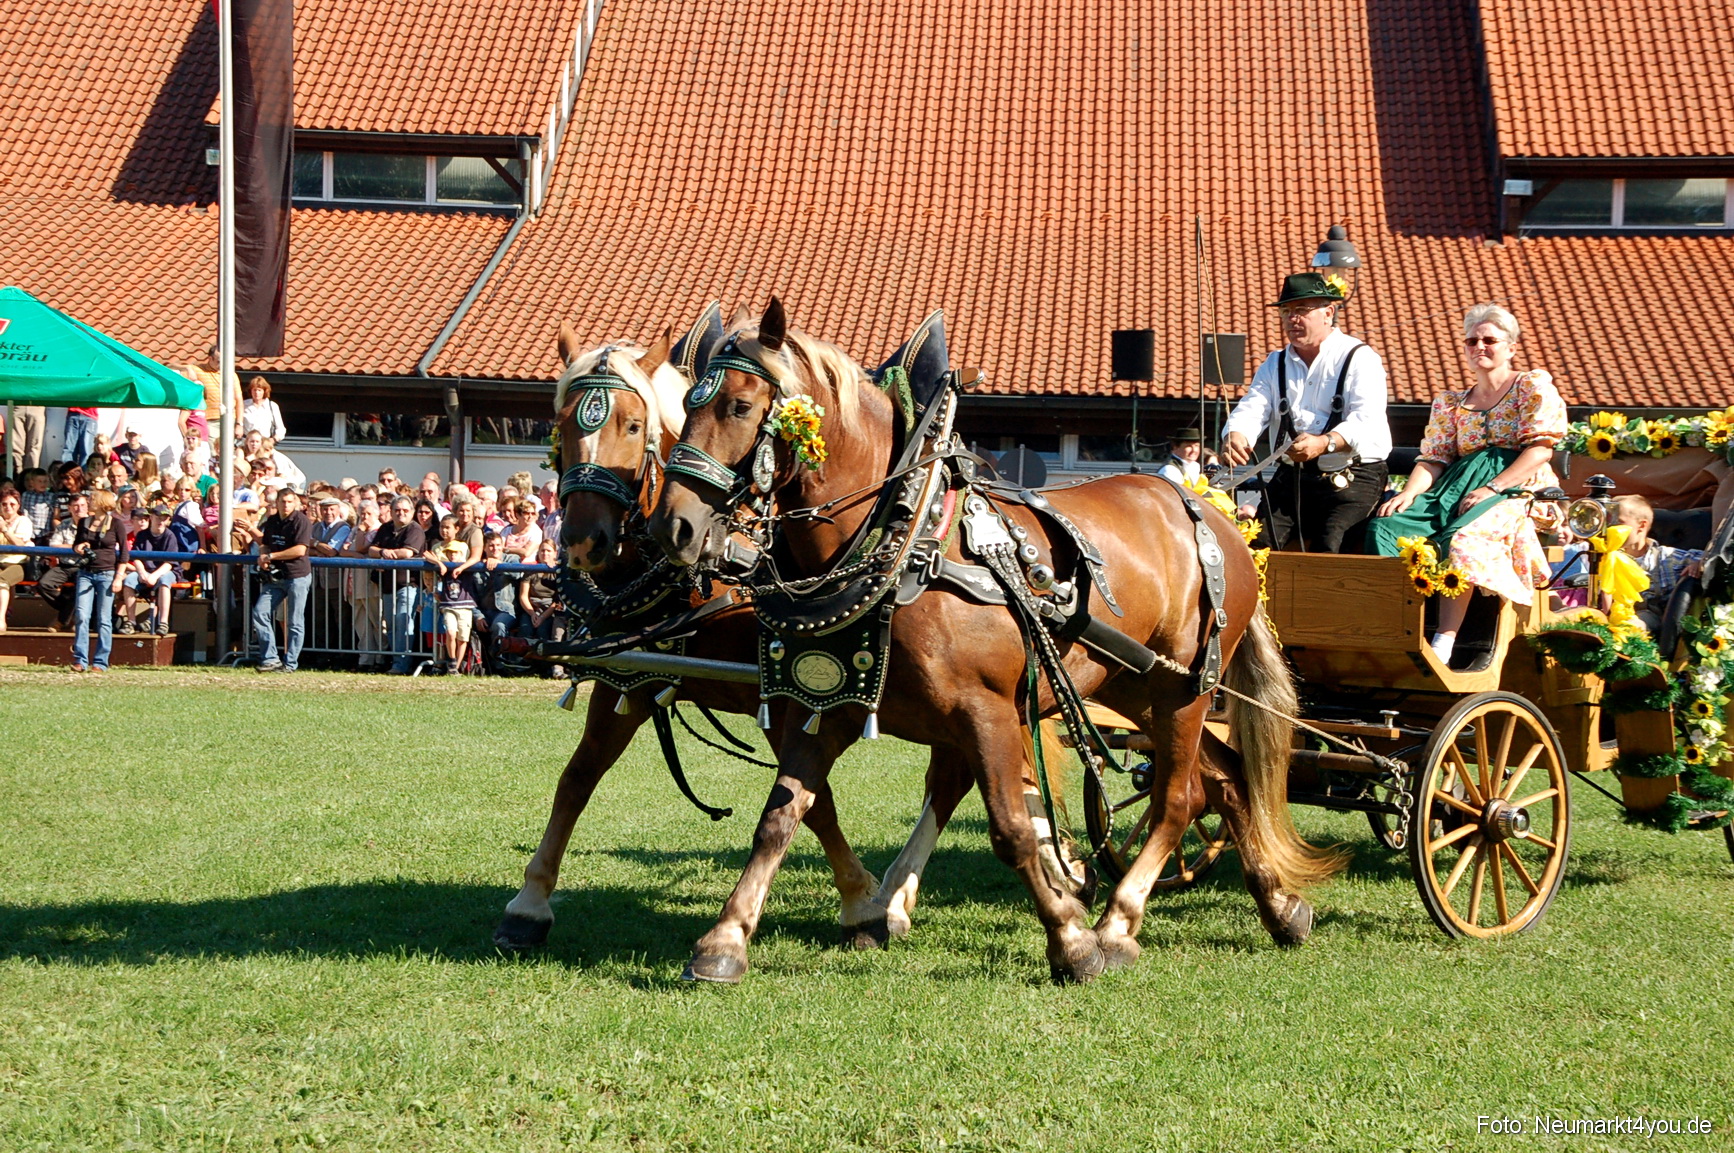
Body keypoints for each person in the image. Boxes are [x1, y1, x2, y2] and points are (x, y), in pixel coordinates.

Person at [1368, 304, 1567, 663]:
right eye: (1472, 340)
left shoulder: (1531, 386)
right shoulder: (1450, 403)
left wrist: (1493, 487)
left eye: (1490, 340)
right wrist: (1410, 493)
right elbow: (1435, 458)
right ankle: (1394, 621)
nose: (1480, 346)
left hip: (1519, 486)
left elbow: (1540, 450)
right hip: (1457, 484)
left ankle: (1445, 639)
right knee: (1386, 526)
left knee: (1462, 537)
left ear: (1511, 347)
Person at [1221, 272, 1392, 552]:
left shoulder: (1360, 358)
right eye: (1286, 311)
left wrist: (1325, 443)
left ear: (1328, 313)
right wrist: (1236, 433)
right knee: (1256, 546)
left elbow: (1367, 420)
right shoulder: (1274, 363)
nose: (1292, 319)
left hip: (1352, 477)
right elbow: (1254, 405)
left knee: (1332, 545)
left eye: (1301, 310)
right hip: (1293, 479)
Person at [1608, 495, 1704, 633]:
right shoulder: (1606, 557)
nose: (1611, 528)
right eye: (1609, 523)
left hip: (1655, 619)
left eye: (1619, 523)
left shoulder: (1666, 557)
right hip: (1613, 613)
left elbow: (1713, 558)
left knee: (1631, 624)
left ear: (1641, 526)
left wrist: (1700, 563)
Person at [252, 489, 314, 672]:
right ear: (276, 503)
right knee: (260, 612)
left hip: (297, 576)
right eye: (282, 501)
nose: (286, 505)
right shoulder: (272, 521)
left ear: (295, 503)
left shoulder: (301, 521)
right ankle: (271, 658)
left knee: (295, 621)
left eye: (289, 501)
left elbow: (300, 550)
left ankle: (290, 663)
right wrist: (263, 557)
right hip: (276, 577)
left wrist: (271, 556)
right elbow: (265, 543)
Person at [69, 490, 129, 672]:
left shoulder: (116, 524)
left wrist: (119, 577)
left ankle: (101, 661)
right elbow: (76, 544)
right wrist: (79, 547)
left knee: (104, 618)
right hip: (86, 573)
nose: (89, 501)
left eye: (93, 498)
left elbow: (125, 552)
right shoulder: (84, 522)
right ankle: (80, 659)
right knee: (82, 615)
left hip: (107, 574)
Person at [369, 495, 427, 674]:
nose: (401, 513)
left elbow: (408, 552)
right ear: (391, 512)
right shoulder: (385, 528)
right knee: (392, 624)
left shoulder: (415, 529)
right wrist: (384, 552)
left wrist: (385, 555)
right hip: (387, 585)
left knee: (404, 622)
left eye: (405, 510)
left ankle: (401, 664)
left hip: (409, 585)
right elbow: (372, 549)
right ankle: (396, 661)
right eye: (397, 510)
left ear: (411, 512)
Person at [424, 514, 474, 673]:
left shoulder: (463, 547)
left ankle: (456, 667)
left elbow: (472, 559)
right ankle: (450, 662)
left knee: (462, 636)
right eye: (442, 527)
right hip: (445, 597)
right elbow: (426, 555)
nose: (444, 530)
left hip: (463, 598)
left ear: (456, 529)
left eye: (448, 527)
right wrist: (439, 563)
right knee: (449, 632)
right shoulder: (437, 547)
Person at [124, 504, 180, 636]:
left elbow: (169, 563)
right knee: (129, 580)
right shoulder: (142, 535)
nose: (161, 521)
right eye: (158, 517)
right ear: (151, 518)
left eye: (164, 518)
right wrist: (142, 572)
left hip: (164, 571)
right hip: (146, 571)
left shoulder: (170, 536)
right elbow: (136, 557)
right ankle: (131, 622)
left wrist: (154, 576)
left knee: (164, 581)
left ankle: (163, 622)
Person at [0, 490, 32, 631]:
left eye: (12, 504)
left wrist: (5, 529)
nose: (8, 507)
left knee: (2, 581)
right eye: (4, 504)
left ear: (18, 505)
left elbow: (19, 544)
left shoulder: (23, 521)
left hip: (18, 563)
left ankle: (1, 620)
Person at [239, 376, 286, 441]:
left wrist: (274, 440)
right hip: (247, 442)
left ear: (264, 391)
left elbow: (281, 428)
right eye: (254, 390)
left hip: (265, 442)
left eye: (259, 390)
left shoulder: (272, 406)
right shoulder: (243, 405)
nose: (256, 393)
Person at [7, 404, 46, 477]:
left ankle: (31, 477)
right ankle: (17, 477)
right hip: (18, 403)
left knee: (34, 446)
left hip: (37, 404)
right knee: (16, 446)